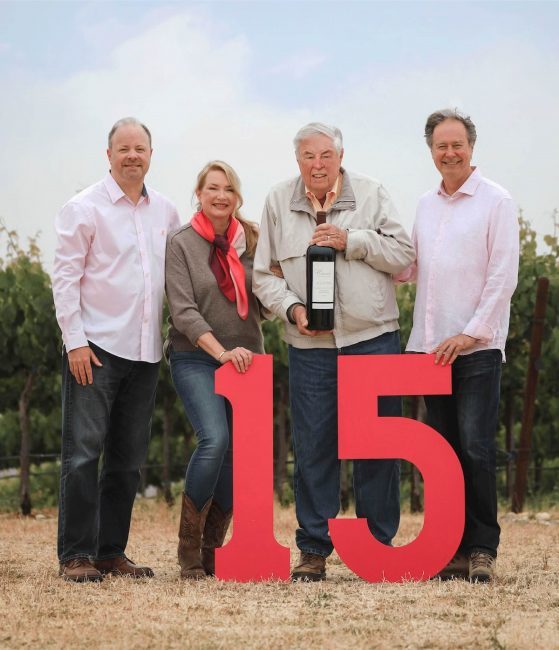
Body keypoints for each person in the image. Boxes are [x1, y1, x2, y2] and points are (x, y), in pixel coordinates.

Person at [252, 122, 415, 581]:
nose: (317, 164)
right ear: (297, 161)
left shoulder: (372, 192)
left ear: (340, 156)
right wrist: (291, 308)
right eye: (308, 156)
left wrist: (353, 241)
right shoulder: (277, 201)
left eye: (325, 155)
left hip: (373, 338)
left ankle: (377, 545)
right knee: (313, 446)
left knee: (379, 447)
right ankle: (314, 549)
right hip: (310, 345)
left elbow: (403, 253)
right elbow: (263, 275)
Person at [52, 117, 180, 582]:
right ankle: (76, 555)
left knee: (127, 461)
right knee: (83, 454)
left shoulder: (165, 211)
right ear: (109, 155)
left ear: (151, 155)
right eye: (123, 148)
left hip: (145, 353)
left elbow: (185, 265)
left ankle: (110, 552)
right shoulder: (82, 208)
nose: (132, 155)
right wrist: (75, 343)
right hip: (96, 349)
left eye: (140, 148)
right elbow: (65, 279)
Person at [399, 109, 519, 582]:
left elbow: (502, 277)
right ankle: (449, 549)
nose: (449, 153)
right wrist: (360, 249)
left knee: (474, 448)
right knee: (443, 453)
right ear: (430, 151)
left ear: (471, 146)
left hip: (475, 349)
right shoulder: (425, 205)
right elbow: (409, 268)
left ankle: (482, 548)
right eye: (440, 146)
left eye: (457, 144)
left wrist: (470, 333)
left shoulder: (497, 201)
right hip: (430, 350)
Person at [165, 160, 264, 579]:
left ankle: (212, 549)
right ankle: (188, 547)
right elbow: (183, 310)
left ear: (236, 196)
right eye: (212, 188)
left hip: (248, 359)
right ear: (199, 194)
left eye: (228, 189)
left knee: (237, 455)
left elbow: (267, 296)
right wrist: (221, 351)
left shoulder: (253, 241)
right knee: (214, 440)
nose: (221, 195)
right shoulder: (182, 243)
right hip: (197, 356)